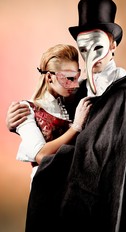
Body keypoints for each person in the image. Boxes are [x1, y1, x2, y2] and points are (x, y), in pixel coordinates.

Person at [6, 0, 126, 232]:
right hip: (78, 200)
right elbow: (47, 112)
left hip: (117, 192)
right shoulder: (77, 88)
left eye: (98, 48)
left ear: (113, 45)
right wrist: (17, 121)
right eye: (83, 50)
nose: (91, 57)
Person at [9, 44, 91, 181]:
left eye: (76, 76)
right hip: (45, 188)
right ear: (49, 77)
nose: (75, 84)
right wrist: (76, 127)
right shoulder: (26, 109)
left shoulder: (69, 99)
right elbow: (41, 156)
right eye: (69, 78)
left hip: (74, 186)